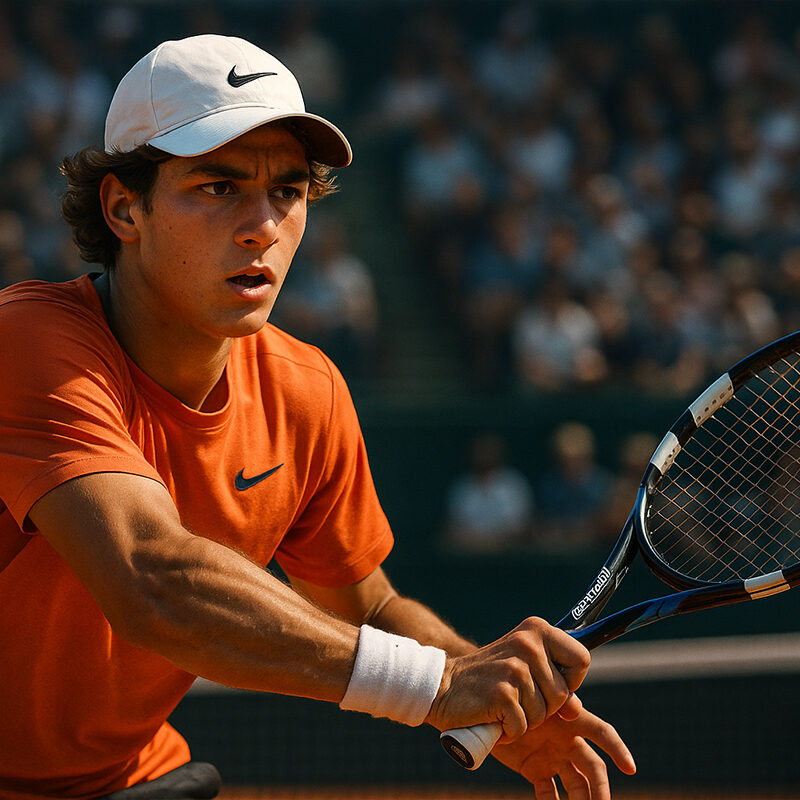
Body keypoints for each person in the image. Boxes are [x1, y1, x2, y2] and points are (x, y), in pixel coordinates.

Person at [0, 35, 635, 799]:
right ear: (124, 207)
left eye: (289, 192)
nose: (262, 224)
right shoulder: (27, 341)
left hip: (130, 777)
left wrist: (487, 685)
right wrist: (435, 686)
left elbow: (370, 606)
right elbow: (151, 580)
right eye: (217, 187)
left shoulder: (307, 390)